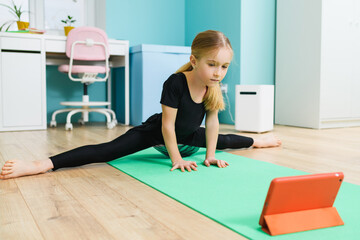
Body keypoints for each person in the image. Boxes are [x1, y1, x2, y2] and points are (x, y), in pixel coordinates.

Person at [0, 30, 281, 180]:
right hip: (157, 133)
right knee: (107, 151)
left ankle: (258, 141)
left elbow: (213, 123)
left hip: (187, 136)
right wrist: (177, 159)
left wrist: (208, 155)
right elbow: (168, 127)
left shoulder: (213, 85)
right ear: (195, 60)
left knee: (224, 140)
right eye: (212, 64)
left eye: (224, 66)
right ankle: (41, 164)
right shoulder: (175, 82)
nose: (218, 72)